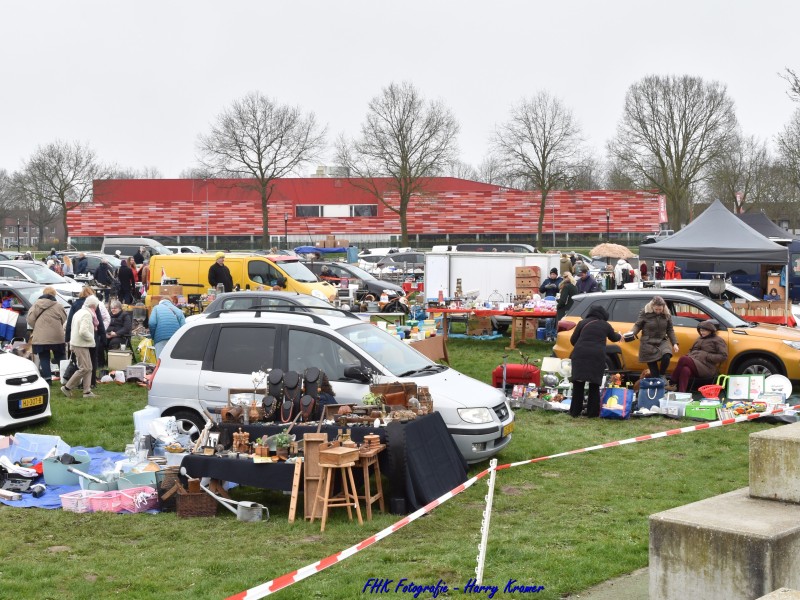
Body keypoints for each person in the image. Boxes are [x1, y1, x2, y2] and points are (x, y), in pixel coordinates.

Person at [569, 305, 622, 418]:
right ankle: (592, 413)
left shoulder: (582, 323)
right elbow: (614, 338)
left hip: (580, 354)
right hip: (596, 356)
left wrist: (582, 346)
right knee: (594, 384)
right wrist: (620, 335)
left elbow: (573, 340)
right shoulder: (605, 325)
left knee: (578, 383)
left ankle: (574, 412)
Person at [627, 295, 678, 379]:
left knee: (667, 355)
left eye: (660, 309)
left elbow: (670, 329)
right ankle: (657, 383)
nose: (658, 311)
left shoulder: (666, 314)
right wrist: (631, 333)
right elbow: (638, 325)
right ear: (652, 307)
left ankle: (662, 374)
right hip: (648, 342)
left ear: (663, 307)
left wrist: (674, 343)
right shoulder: (645, 312)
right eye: (656, 309)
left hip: (662, 340)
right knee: (654, 373)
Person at [670, 321, 728, 393]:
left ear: (710, 331)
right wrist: (690, 355)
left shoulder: (718, 340)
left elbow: (723, 356)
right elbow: (691, 350)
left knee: (683, 359)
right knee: (685, 369)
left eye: (704, 330)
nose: (702, 332)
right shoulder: (699, 339)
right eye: (700, 330)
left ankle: (672, 381)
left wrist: (706, 356)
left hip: (707, 367)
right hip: (696, 363)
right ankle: (681, 393)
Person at [66, 286, 107, 386]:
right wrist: (103, 338)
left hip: (77, 338)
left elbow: (70, 322)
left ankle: (79, 384)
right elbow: (100, 322)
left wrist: (68, 338)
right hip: (91, 335)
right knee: (92, 361)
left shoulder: (75, 304)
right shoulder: (93, 306)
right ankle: (91, 383)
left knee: (80, 362)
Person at [26, 285, 67, 386]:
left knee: (44, 357)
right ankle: (66, 377)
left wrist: (37, 326)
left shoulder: (36, 305)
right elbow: (64, 319)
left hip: (41, 336)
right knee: (60, 356)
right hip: (57, 336)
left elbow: (30, 319)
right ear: (54, 294)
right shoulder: (59, 306)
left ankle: (48, 379)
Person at [62, 294, 101, 398]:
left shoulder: (79, 312)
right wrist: (92, 339)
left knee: (88, 368)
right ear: (94, 306)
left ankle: (87, 392)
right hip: (81, 344)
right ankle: (67, 388)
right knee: (84, 368)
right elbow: (83, 331)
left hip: (77, 343)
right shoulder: (87, 315)